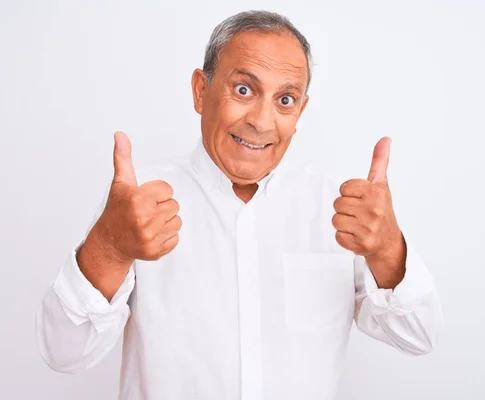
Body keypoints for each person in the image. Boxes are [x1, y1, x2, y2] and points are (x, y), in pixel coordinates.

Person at [36, 10, 443, 400]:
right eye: (244, 89)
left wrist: (389, 249)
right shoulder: (137, 205)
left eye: (285, 100)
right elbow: (65, 352)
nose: (262, 122)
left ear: (300, 111)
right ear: (201, 90)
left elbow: (418, 336)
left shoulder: (335, 208)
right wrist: (109, 246)